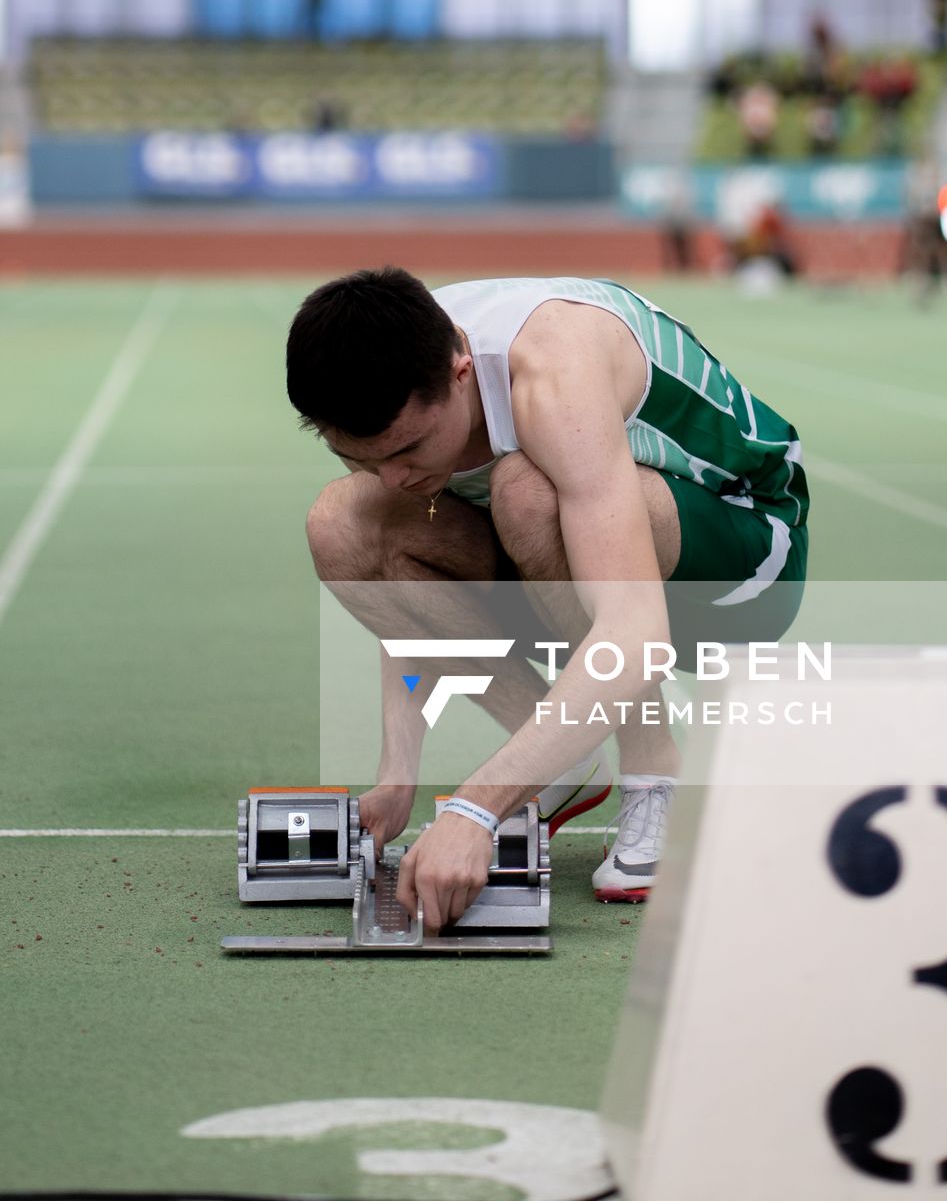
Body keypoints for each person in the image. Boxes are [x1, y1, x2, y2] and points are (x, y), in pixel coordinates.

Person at [287, 268, 809, 933]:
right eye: (362, 458)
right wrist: (399, 770)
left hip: (745, 564)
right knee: (346, 526)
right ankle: (560, 754)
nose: (395, 476)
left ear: (460, 370)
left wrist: (476, 807)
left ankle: (656, 773)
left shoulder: (554, 372)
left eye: (411, 448)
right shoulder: (393, 359)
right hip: (576, 571)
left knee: (527, 491)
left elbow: (635, 630)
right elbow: (410, 602)